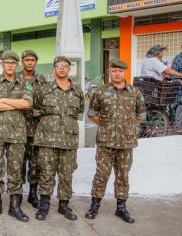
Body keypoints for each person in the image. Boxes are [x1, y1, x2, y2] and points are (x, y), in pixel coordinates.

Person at [85, 59, 146, 224]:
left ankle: (121, 208)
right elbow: (92, 113)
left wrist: (126, 126)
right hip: (105, 143)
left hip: (126, 143)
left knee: (122, 176)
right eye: (114, 71)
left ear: (125, 72)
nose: (117, 74)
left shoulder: (135, 92)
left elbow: (141, 115)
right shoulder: (101, 92)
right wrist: (107, 125)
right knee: (101, 175)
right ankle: (94, 205)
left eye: (120, 71)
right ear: (109, 72)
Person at [34, 56, 84, 221]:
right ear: (53, 69)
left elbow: (79, 113)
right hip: (47, 140)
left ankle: (64, 205)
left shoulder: (77, 91)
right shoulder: (44, 89)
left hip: (69, 141)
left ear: (69, 69)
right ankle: (44, 204)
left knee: (66, 174)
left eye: (65, 66)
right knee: (46, 173)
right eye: (58, 66)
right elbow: (35, 110)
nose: (61, 68)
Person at [0, 50, 33, 222]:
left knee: (15, 170)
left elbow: (27, 103)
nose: (10, 65)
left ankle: (14, 206)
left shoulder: (25, 83)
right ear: (2, 64)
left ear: (17, 65)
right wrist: (14, 103)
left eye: (13, 63)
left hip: (17, 133)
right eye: (7, 62)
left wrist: (3, 99)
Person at [17, 49, 47, 209]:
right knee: (18, 163)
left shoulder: (42, 80)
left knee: (35, 163)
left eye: (32, 60)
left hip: (36, 129)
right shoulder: (15, 78)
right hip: (18, 128)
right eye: (27, 59)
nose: (29, 62)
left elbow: (45, 101)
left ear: (36, 62)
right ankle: (18, 194)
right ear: (22, 61)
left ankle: (33, 194)